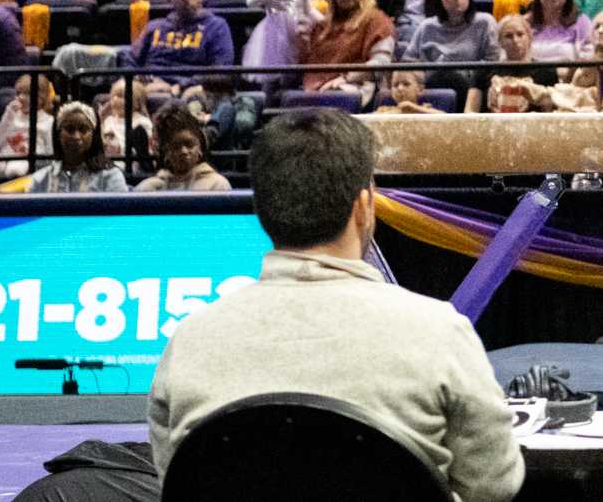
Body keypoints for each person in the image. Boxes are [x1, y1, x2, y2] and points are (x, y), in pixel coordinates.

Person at [148, 111, 523, 501]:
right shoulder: (441, 332)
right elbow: (495, 485)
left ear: (263, 212)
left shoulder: (189, 342)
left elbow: (176, 480)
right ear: (364, 207)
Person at [27, 100, 128, 193]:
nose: (76, 137)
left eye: (83, 130)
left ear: (94, 135)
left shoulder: (110, 176)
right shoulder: (41, 179)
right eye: (69, 130)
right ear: (58, 134)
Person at [134, 106, 232, 192]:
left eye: (189, 145)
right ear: (164, 150)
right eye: (176, 146)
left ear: (200, 147)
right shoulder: (146, 189)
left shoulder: (218, 185)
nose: (184, 151)